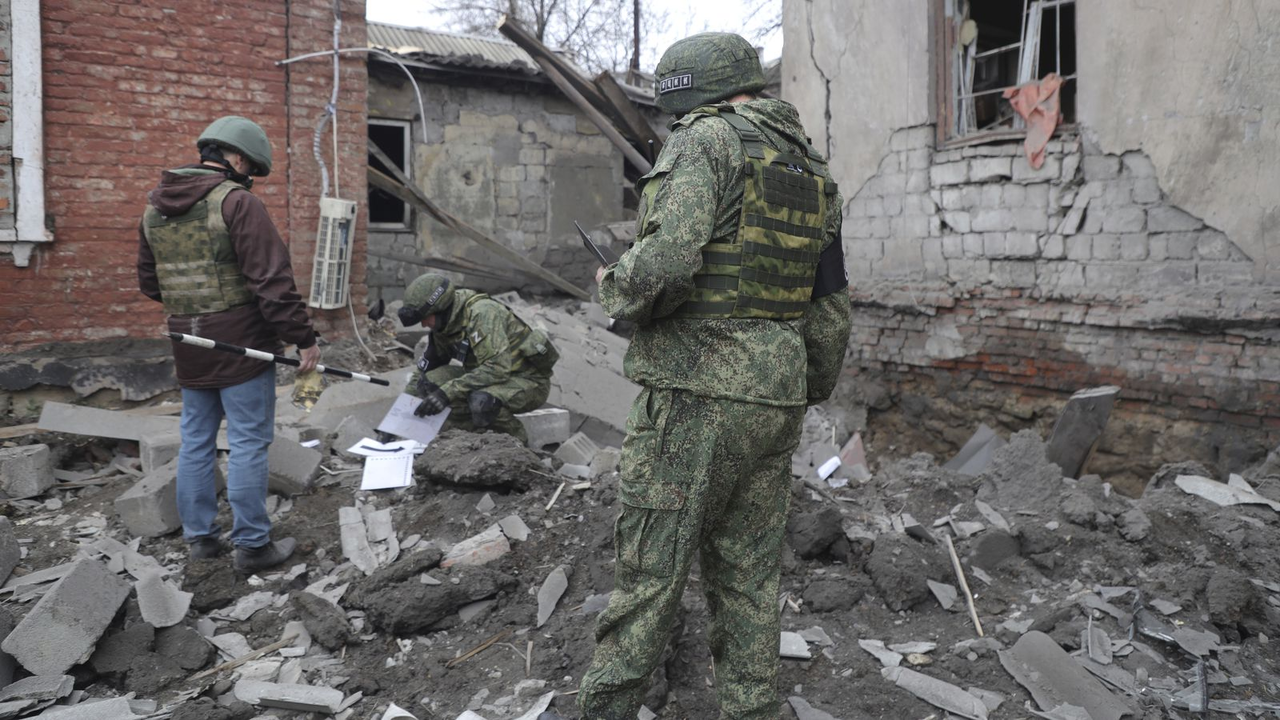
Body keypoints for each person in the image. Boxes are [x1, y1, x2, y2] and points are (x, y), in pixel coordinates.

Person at [569, 32, 853, 720]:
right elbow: (831, 308)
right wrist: (800, 385)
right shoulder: (813, 171)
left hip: (696, 396)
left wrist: (615, 286)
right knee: (751, 578)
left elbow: (665, 264)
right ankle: (751, 710)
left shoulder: (705, 141)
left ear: (687, 96)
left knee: (650, 572)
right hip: (775, 398)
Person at [138, 116, 319, 573]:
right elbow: (273, 283)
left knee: (196, 441)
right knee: (247, 443)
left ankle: (201, 540)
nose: (251, 177)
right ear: (236, 158)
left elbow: (150, 283)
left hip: (188, 340)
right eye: (251, 168)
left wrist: (193, 305)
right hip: (242, 346)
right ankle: (253, 547)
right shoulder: (237, 204)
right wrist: (304, 340)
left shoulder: (154, 209)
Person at [399, 273, 559, 444]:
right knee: (428, 384)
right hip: (487, 377)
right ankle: (472, 436)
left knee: (482, 401)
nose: (423, 325)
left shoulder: (482, 313)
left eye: (425, 318)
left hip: (528, 381)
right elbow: (421, 373)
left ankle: (516, 443)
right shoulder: (443, 327)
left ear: (440, 308)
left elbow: (497, 369)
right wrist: (394, 422)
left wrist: (447, 392)